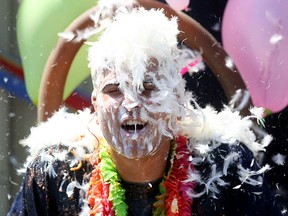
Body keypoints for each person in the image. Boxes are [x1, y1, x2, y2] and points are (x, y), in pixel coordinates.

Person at [9, 6, 282, 216]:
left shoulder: (226, 166)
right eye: (114, 90)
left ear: (178, 100)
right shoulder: (55, 172)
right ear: (95, 105)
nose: (131, 103)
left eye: (148, 87)